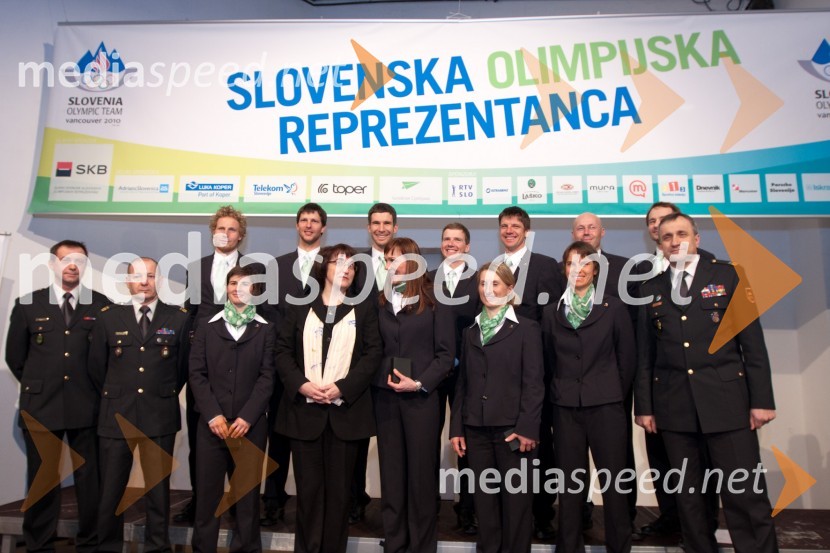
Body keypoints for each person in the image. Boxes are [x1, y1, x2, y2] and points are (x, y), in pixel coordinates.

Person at [634, 212, 778, 553]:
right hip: (674, 410)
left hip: (727, 404)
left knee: (744, 494)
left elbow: (752, 344)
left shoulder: (728, 276)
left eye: (681, 233)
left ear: (696, 238)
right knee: (689, 498)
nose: (674, 241)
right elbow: (645, 355)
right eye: (667, 236)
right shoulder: (650, 288)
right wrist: (645, 407)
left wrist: (762, 400)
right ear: (660, 244)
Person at [275, 244, 382, 553]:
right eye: (339, 263)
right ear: (324, 269)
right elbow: (282, 351)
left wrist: (342, 388)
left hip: (346, 416)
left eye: (352, 266)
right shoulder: (298, 305)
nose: (346, 269)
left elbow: (373, 354)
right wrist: (302, 385)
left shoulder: (364, 309)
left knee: (338, 497)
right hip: (303, 414)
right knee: (308, 494)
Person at [6, 239, 108, 553]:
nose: (72, 265)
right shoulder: (28, 304)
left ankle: (89, 542)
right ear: (53, 264)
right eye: (65, 259)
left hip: (87, 404)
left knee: (90, 479)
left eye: (78, 259)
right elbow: (16, 358)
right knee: (43, 478)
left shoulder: (102, 305)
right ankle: (39, 544)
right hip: (42, 405)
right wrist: (43, 384)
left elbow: (105, 358)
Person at [178, 205, 275, 524]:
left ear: (241, 235)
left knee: (244, 448)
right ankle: (200, 499)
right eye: (221, 228)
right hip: (207, 363)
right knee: (202, 434)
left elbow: (265, 313)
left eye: (233, 229)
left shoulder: (256, 268)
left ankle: (240, 505)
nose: (226, 233)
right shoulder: (195, 268)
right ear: (212, 232)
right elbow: (190, 314)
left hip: (247, 359)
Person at [89, 257, 189, 553]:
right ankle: (107, 546)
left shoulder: (179, 317)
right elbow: (96, 368)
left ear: (158, 279)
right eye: (138, 276)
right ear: (128, 281)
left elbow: (182, 369)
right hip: (116, 415)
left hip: (160, 415)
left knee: (158, 492)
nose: (144, 281)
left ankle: (157, 547)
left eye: (150, 275)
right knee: (111, 491)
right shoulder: (108, 317)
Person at [543, 242, 636, 553]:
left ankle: (619, 547)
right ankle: (568, 547)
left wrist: (611, 395)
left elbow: (627, 360)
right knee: (570, 486)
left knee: (614, 486)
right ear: (564, 269)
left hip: (606, 407)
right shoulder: (552, 311)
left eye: (585, 264)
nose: (578, 270)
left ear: (596, 269)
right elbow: (548, 361)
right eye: (572, 264)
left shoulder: (614, 307)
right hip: (566, 406)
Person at [634, 203, 717, 540]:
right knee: (665, 466)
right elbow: (643, 343)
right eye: (654, 224)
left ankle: (702, 530)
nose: (661, 230)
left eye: (670, 226)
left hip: (708, 394)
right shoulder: (641, 273)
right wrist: (645, 402)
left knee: (706, 470)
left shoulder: (712, 269)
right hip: (663, 391)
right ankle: (672, 521)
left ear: (692, 235)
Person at [450, 261, 544, 553]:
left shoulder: (527, 328)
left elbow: (534, 383)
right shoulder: (470, 331)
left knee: (516, 506)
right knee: (485, 505)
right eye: (483, 284)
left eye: (495, 284)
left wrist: (527, 428)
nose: (488, 290)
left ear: (509, 288)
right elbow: (463, 384)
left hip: (513, 432)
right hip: (476, 430)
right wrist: (457, 428)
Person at [373, 237, 454, 553]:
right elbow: (373, 351)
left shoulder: (435, 298)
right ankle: (394, 543)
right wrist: (386, 378)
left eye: (397, 258)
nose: (391, 263)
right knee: (392, 477)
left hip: (421, 400)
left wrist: (419, 383)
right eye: (387, 258)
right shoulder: (380, 301)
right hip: (387, 399)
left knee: (421, 478)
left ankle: (421, 546)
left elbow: (446, 355)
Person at [188, 264, 276, 553]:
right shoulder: (206, 326)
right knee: (208, 496)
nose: (238, 288)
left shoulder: (266, 329)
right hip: (211, 426)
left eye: (245, 283)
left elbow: (267, 377)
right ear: (226, 288)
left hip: (249, 427)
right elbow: (196, 374)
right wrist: (213, 414)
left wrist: (248, 417)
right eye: (233, 282)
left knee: (247, 498)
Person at [261, 202, 328, 526]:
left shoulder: (333, 266)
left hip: (323, 367)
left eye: (315, 221)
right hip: (283, 365)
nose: (309, 225)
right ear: (297, 225)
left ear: (323, 228)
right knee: (278, 435)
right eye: (304, 220)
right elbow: (267, 313)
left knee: (319, 438)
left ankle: (319, 503)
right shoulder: (276, 266)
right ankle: (273, 497)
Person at [497, 206, 561, 539]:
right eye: (505, 226)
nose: (509, 231)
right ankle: (511, 515)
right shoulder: (494, 267)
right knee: (509, 445)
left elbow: (551, 319)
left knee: (540, 444)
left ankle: (542, 512)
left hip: (537, 368)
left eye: (515, 226)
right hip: (504, 374)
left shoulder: (546, 266)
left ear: (526, 230)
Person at [348, 202, 399, 524]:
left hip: (397, 360)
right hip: (360, 361)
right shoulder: (356, 264)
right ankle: (355, 500)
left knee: (397, 442)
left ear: (395, 227)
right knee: (355, 436)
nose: (381, 228)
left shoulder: (408, 261)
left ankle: (402, 503)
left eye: (387, 223)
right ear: (369, 227)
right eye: (376, 223)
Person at [428, 223, 479, 534]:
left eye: (457, 239)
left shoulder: (479, 282)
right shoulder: (426, 280)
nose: (451, 244)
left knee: (466, 443)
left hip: (467, 372)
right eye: (446, 239)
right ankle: (427, 505)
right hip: (432, 373)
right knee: (426, 441)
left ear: (467, 247)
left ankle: (468, 510)